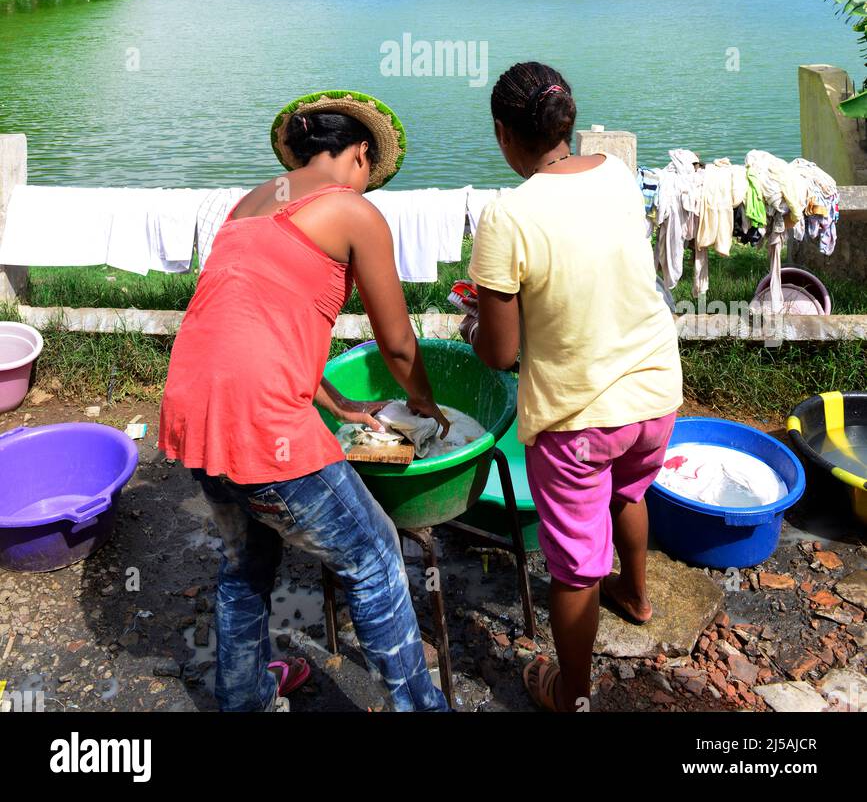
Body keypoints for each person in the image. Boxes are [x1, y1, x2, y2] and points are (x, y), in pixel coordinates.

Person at [159, 89, 450, 713]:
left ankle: (245, 696)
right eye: (369, 176)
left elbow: (253, 322)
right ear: (361, 154)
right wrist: (424, 401)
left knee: (245, 568)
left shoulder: (247, 204)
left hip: (194, 412)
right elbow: (397, 342)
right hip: (262, 423)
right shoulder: (351, 210)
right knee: (373, 556)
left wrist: (338, 401)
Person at [464, 62, 682, 713]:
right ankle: (637, 596)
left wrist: (475, 324)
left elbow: (500, 353)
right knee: (630, 492)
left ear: (503, 133)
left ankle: (572, 692)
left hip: (578, 420)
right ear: (568, 121)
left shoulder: (505, 217)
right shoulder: (614, 176)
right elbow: (589, 271)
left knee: (572, 571)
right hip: (654, 392)